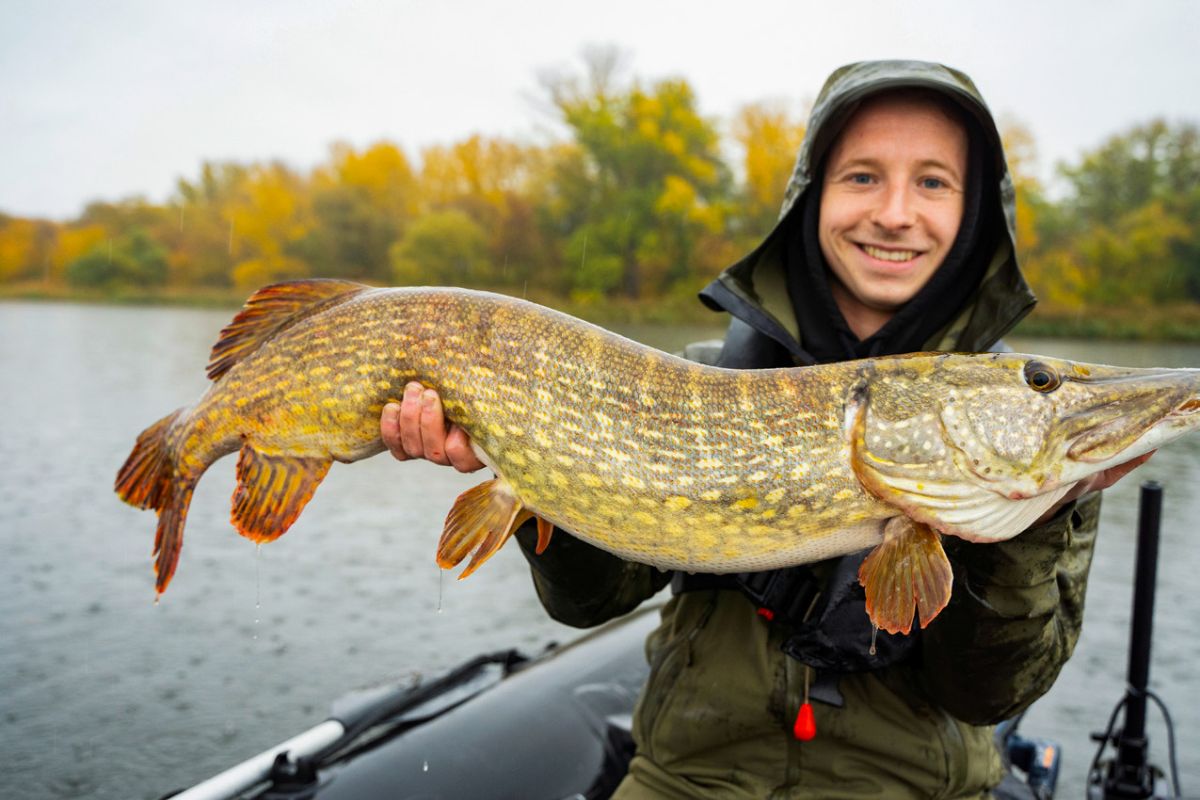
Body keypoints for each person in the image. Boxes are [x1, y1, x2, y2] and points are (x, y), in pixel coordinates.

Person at [380, 60, 1149, 799]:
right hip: (687, 777)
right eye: (862, 176)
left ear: (973, 212)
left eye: (934, 182)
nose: (894, 212)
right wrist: (532, 462)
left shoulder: (1029, 441)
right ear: (811, 197)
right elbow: (588, 604)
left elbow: (990, 694)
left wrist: (1028, 528)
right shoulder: (697, 379)